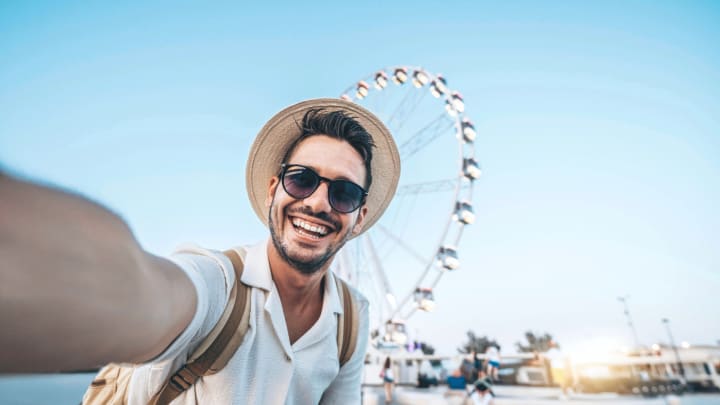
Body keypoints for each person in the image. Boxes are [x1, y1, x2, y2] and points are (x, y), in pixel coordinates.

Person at [0, 98, 401, 404]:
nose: (317, 203)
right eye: (302, 180)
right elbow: (145, 291)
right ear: (272, 189)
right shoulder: (217, 283)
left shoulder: (351, 316)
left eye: (344, 192)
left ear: (360, 216)